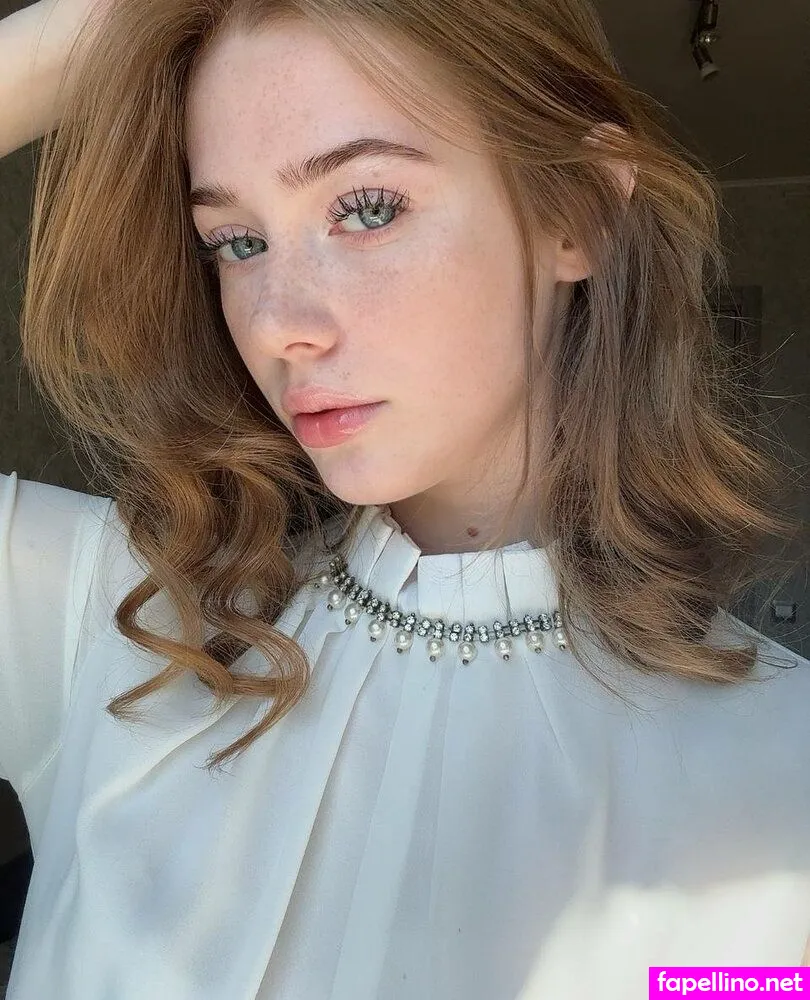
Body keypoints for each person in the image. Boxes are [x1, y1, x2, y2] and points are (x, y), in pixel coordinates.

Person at [1, 0, 808, 996]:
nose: (279, 324)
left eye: (368, 207)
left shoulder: (787, 777)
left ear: (579, 213)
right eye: (236, 242)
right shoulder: (118, 623)